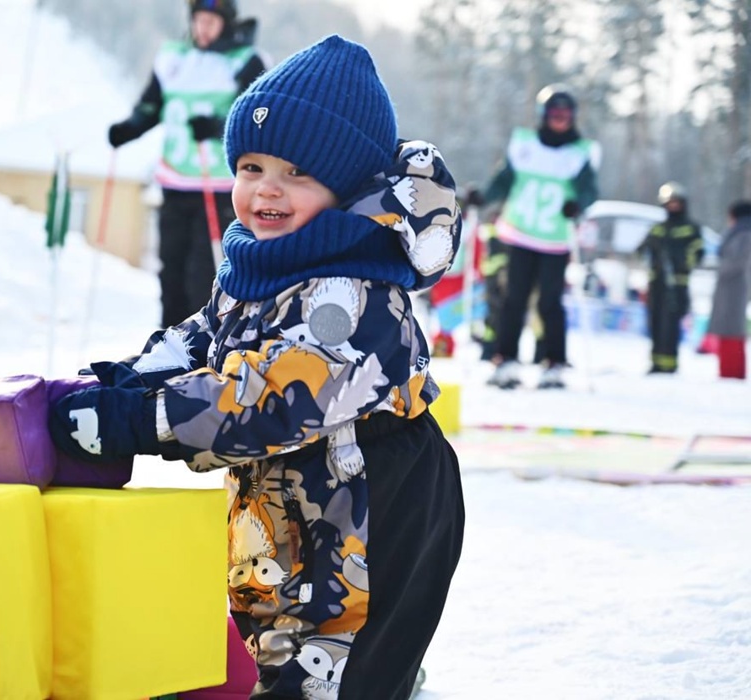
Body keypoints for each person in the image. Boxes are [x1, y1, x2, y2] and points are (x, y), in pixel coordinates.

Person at [48, 36, 465, 700]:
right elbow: (206, 338)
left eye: (296, 174)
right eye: (250, 166)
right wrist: (130, 378)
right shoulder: (261, 262)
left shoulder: (350, 292)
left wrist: (141, 420)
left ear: (346, 187)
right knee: (269, 649)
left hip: (371, 501)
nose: (265, 190)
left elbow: (269, 398)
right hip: (288, 499)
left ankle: (385, 680)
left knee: (322, 669)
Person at [107, 0, 267, 327]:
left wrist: (218, 127)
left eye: (212, 21)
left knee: (203, 274)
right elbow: (151, 108)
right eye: (199, 20)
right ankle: (169, 344)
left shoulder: (246, 61)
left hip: (220, 186)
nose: (204, 27)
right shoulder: (173, 59)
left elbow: (257, 117)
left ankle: (203, 345)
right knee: (171, 271)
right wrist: (129, 129)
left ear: (227, 23)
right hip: (175, 183)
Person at [475, 84, 601, 389]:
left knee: (549, 303)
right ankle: (506, 359)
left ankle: (554, 362)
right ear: (544, 115)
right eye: (554, 114)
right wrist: (483, 197)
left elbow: (589, 190)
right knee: (513, 300)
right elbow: (504, 181)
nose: (560, 120)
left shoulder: (580, 152)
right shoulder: (525, 145)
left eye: (565, 115)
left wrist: (578, 205)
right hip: (519, 232)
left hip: (555, 238)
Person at [637, 182, 705, 374]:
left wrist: (682, 264)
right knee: (655, 322)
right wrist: (650, 255)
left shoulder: (691, 228)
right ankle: (656, 362)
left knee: (669, 325)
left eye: (676, 202)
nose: (673, 206)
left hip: (677, 284)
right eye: (669, 203)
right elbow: (641, 250)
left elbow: (697, 252)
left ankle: (669, 364)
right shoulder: (658, 229)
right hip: (656, 283)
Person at [706, 200, 751, 379]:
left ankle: (732, 372)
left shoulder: (744, 234)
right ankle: (728, 371)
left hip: (735, 289)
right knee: (727, 330)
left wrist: (721, 268)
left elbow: (738, 262)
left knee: (732, 330)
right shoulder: (740, 233)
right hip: (730, 289)